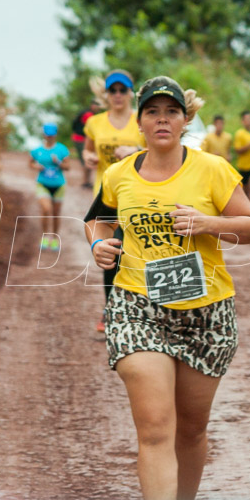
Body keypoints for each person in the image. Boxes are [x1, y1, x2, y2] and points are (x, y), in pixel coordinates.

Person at [85, 76, 250, 500]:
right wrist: (99, 247)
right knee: (155, 428)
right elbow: (98, 221)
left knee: (190, 429)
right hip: (137, 306)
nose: (161, 120)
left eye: (171, 112)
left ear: (185, 120)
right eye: (152, 112)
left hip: (206, 313)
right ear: (140, 123)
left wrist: (208, 222)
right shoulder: (119, 175)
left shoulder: (213, 169)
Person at [82, 69, 144, 332]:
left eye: (122, 90)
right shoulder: (95, 123)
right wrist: (87, 158)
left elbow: (160, 149)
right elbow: (87, 148)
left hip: (137, 195)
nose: (118, 95)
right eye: (113, 90)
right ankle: (110, 309)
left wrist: (136, 151)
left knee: (137, 252)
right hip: (106, 197)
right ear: (106, 94)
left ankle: (140, 308)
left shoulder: (141, 121)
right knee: (110, 251)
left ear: (131, 93)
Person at [28, 123, 71, 251]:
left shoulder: (62, 150)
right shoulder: (37, 151)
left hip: (59, 185)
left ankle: (55, 238)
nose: (49, 137)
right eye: (47, 135)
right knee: (46, 209)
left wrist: (57, 162)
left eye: (52, 135)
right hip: (43, 184)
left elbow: (68, 167)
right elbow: (30, 163)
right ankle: (45, 236)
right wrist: (36, 167)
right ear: (44, 135)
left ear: (55, 135)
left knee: (56, 213)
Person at [71, 84, 103, 189]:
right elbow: (89, 131)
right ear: (93, 105)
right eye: (97, 105)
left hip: (79, 138)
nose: (98, 107)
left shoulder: (89, 114)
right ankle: (85, 181)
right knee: (86, 160)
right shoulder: (89, 115)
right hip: (81, 139)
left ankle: (87, 181)